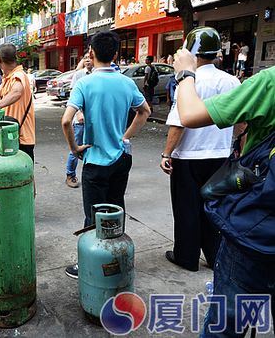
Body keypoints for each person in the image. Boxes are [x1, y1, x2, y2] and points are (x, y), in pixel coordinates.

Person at [173, 48, 275, 338]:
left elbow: (188, 115)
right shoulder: (233, 80)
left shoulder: (269, 83)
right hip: (219, 161)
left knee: (227, 327)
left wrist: (185, 73)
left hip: (257, 236)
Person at [61, 31, 150, 279]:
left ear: (91, 53)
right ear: (115, 55)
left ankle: (91, 264)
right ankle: (116, 259)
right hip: (121, 159)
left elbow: (67, 121)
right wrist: (126, 136)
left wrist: (74, 148)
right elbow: (144, 111)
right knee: (116, 207)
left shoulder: (84, 84)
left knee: (93, 214)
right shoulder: (126, 82)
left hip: (95, 161)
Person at [160, 27, 241, 273]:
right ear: (216, 52)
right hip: (219, 155)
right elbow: (241, 120)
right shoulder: (232, 80)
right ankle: (214, 254)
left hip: (188, 157)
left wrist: (167, 154)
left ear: (192, 53)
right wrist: (237, 146)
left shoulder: (189, 81)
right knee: (214, 206)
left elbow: (179, 121)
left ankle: (187, 256)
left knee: (187, 207)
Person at [65, 54, 93, 188]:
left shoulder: (98, 76)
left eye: (90, 57)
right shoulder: (79, 75)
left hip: (93, 121)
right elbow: (73, 98)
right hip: (80, 120)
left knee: (93, 147)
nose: (88, 60)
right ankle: (70, 174)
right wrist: (79, 112)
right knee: (75, 148)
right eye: (85, 57)